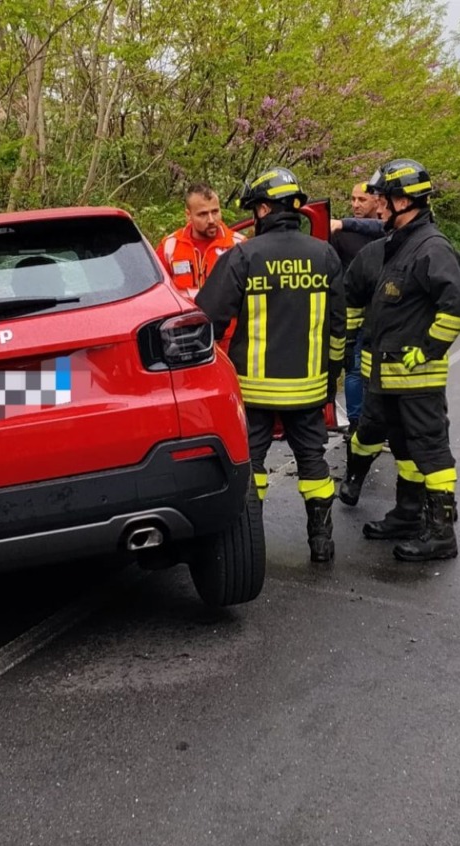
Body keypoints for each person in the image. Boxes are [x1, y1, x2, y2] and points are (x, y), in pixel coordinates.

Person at [338, 159, 460, 562]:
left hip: (417, 378)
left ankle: (441, 534)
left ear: (403, 201)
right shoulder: (398, 244)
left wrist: (431, 349)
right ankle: (407, 514)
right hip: (388, 378)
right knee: (404, 449)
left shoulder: (431, 248)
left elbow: (458, 303)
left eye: (382, 198)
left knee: (431, 452)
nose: (377, 205)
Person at [195, 167, 346, 563]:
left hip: (254, 391)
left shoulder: (244, 255)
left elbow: (209, 318)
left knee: (253, 464)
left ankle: (251, 542)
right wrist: (330, 380)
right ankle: (322, 543)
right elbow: (339, 328)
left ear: (263, 209)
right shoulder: (325, 254)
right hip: (309, 388)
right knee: (313, 460)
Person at [330, 183, 388, 435]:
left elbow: (379, 226)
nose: (355, 204)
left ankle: (379, 423)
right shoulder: (340, 234)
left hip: (384, 313)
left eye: (362, 199)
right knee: (353, 369)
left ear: (377, 201)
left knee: (381, 369)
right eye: (352, 199)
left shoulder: (387, 228)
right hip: (353, 314)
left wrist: (343, 223)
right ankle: (356, 424)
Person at [155, 183, 245, 298]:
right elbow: (156, 290)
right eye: (203, 214)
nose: (211, 220)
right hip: (185, 310)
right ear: (188, 215)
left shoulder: (239, 245)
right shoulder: (170, 246)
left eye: (215, 212)